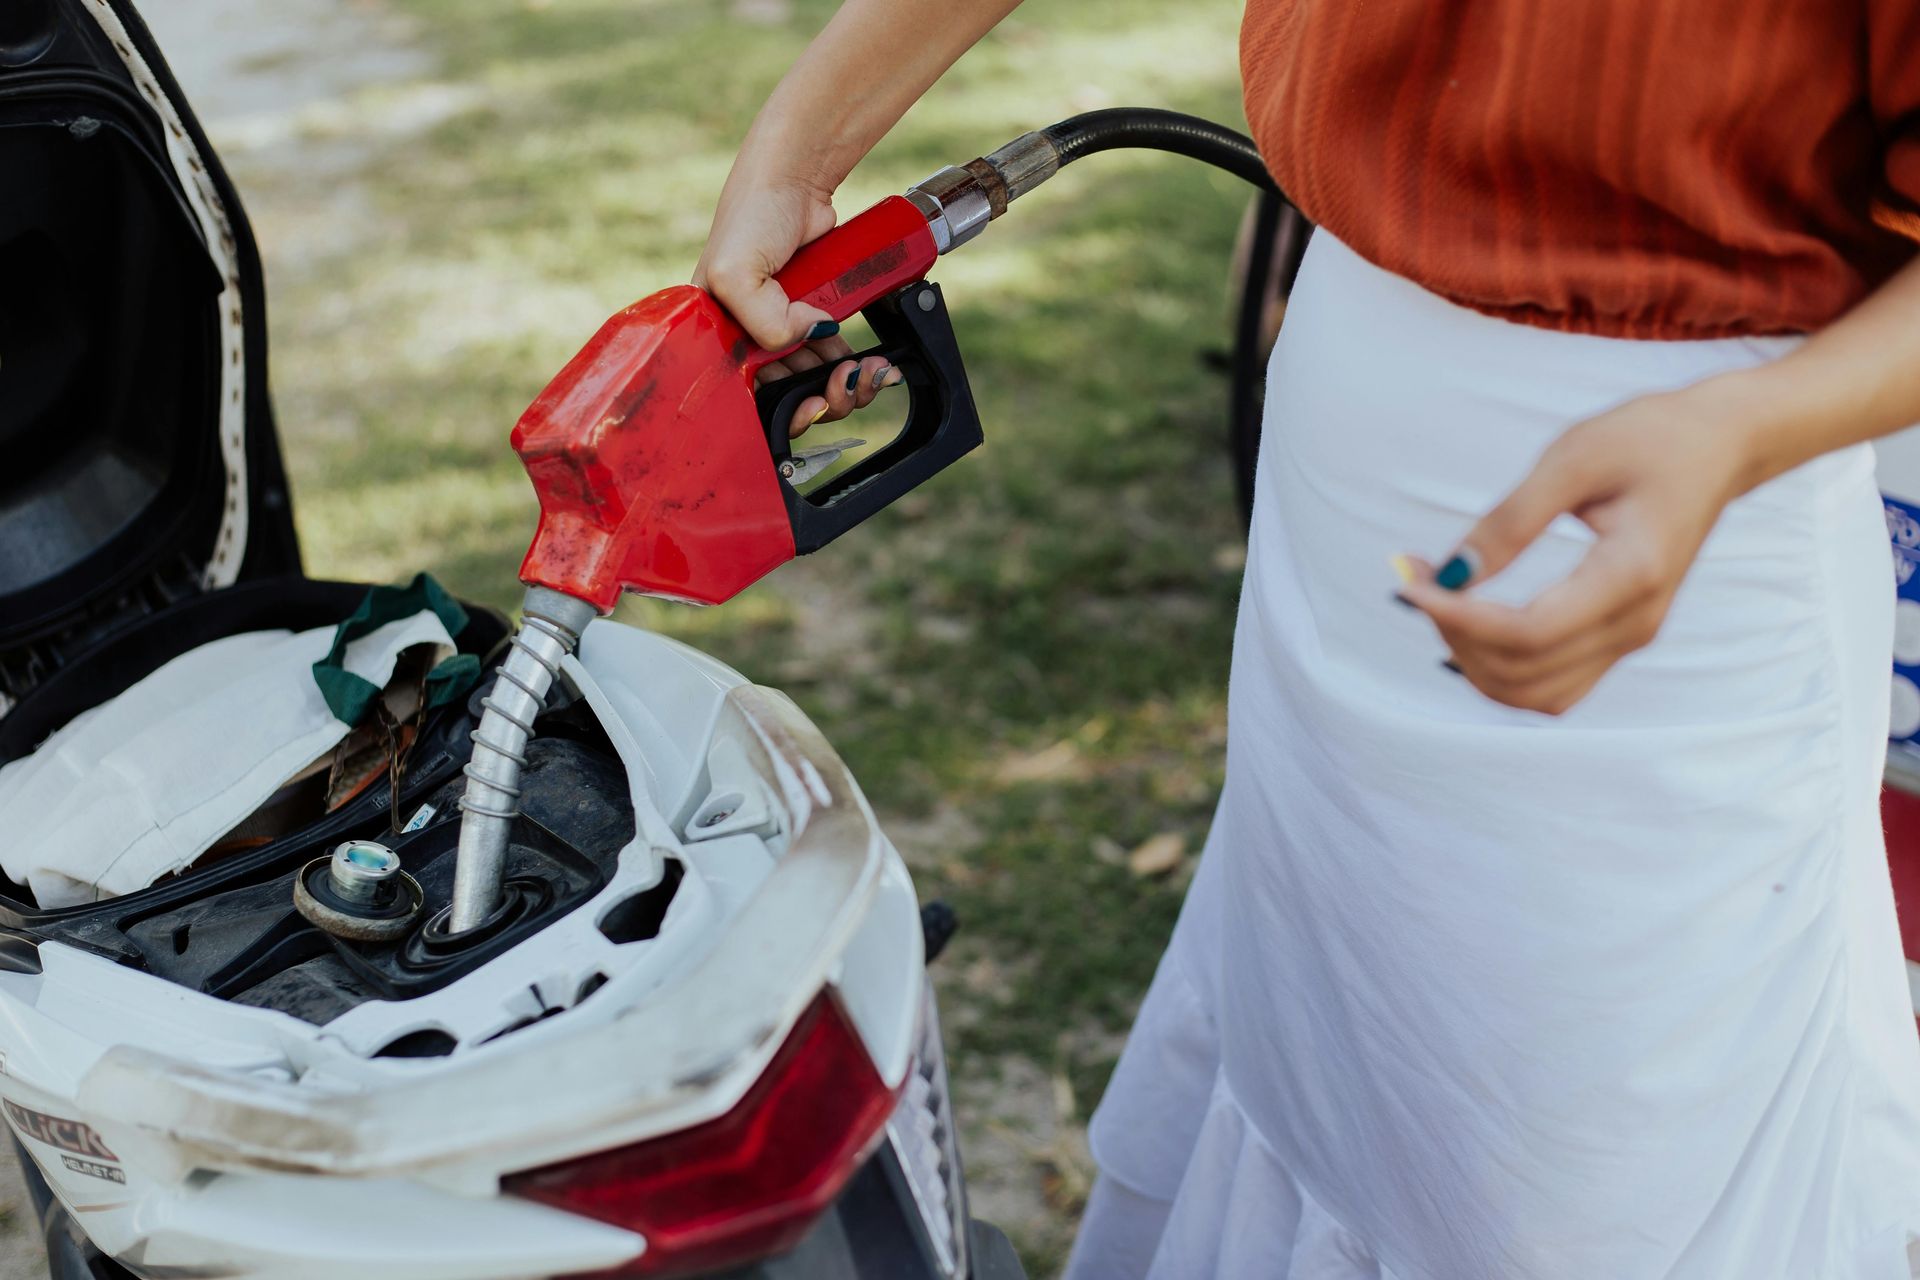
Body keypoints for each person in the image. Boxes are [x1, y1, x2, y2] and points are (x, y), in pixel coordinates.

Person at [696, 1, 1920, 1275]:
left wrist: (1743, 433)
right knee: (1339, 1068)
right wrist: (797, 150)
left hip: (1667, 538)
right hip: (1345, 457)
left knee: (1584, 1168)